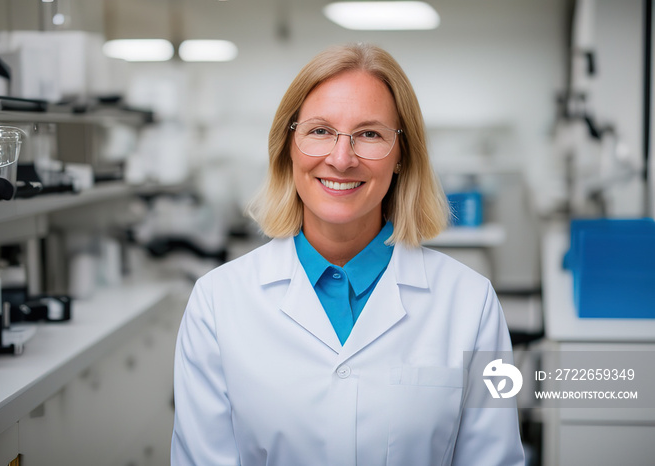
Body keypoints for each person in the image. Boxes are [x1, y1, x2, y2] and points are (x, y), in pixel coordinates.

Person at [171, 43, 524, 465]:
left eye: (369, 134)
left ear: (401, 156)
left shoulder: (471, 303)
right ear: (289, 145)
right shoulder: (216, 302)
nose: (341, 159)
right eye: (320, 130)